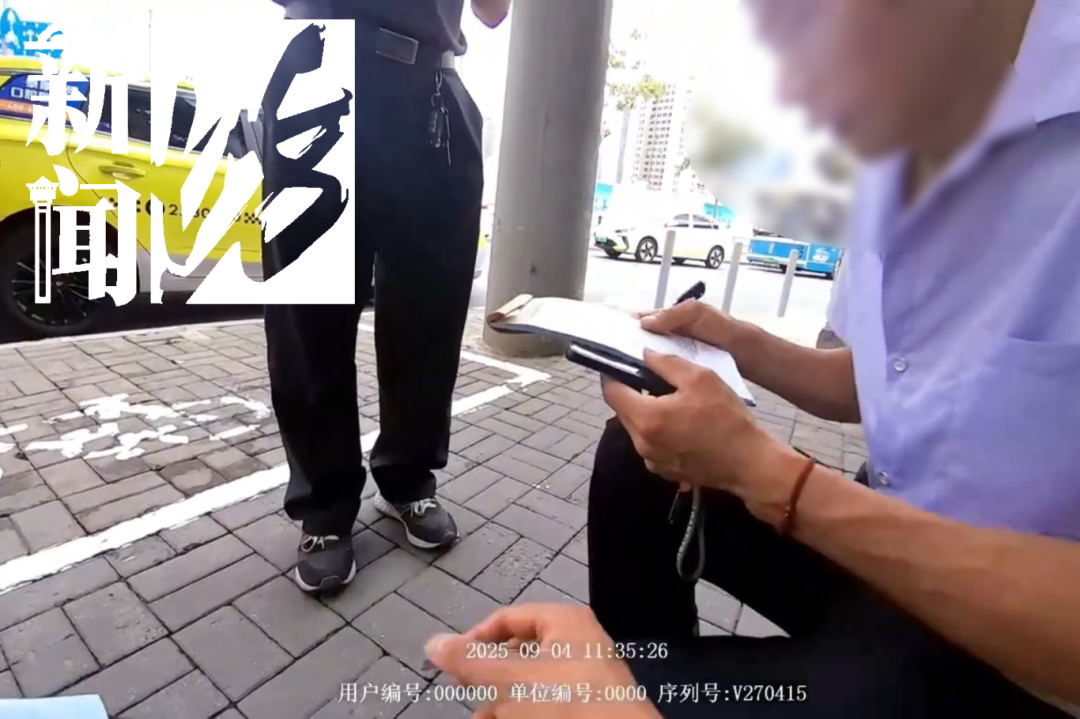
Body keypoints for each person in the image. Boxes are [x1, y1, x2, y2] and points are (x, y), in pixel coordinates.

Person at [426, 0, 1080, 716]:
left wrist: (770, 476)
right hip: (882, 543)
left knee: (582, 697)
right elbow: (883, 380)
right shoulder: (901, 112)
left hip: (1018, 644)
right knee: (636, 460)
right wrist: (734, 342)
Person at [260, 0, 511, 593]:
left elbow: (494, 11)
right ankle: (324, 503)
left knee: (430, 311)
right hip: (318, 79)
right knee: (309, 314)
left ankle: (408, 475)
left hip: (433, 92)